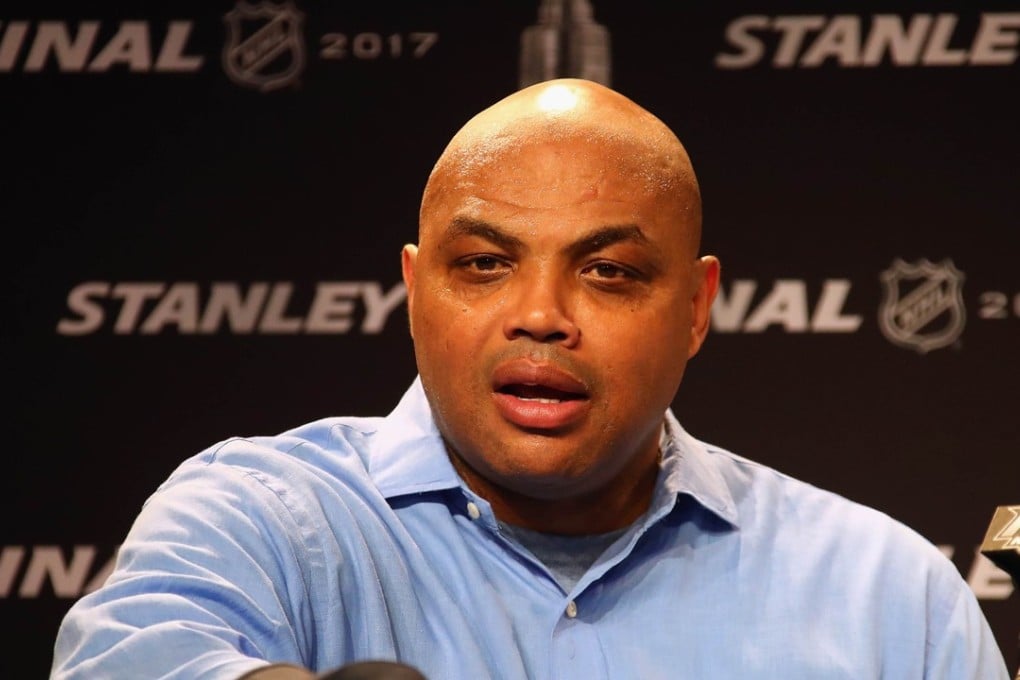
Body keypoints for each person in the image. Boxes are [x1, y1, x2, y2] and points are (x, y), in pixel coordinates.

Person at [51, 79, 1009, 680]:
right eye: (483, 264)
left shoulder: (891, 599)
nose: (542, 313)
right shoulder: (259, 519)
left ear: (696, 308)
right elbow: (131, 658)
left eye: (610, 272)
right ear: (415, 288)